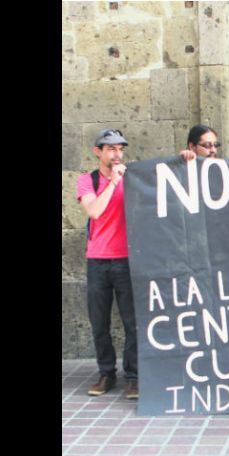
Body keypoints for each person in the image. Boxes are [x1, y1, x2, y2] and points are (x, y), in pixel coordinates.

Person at [76, 129, 139, 400]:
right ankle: (106, 372)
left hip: (127, 259)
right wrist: (112, 183)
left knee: (132, 321)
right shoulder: (86, 180)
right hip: (98, 260)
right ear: (98, 152)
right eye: (111, 149)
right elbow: (94, 211)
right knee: (99, 321)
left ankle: (134, 376)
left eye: (120, 149)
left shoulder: (133, 178)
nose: (117, 154)